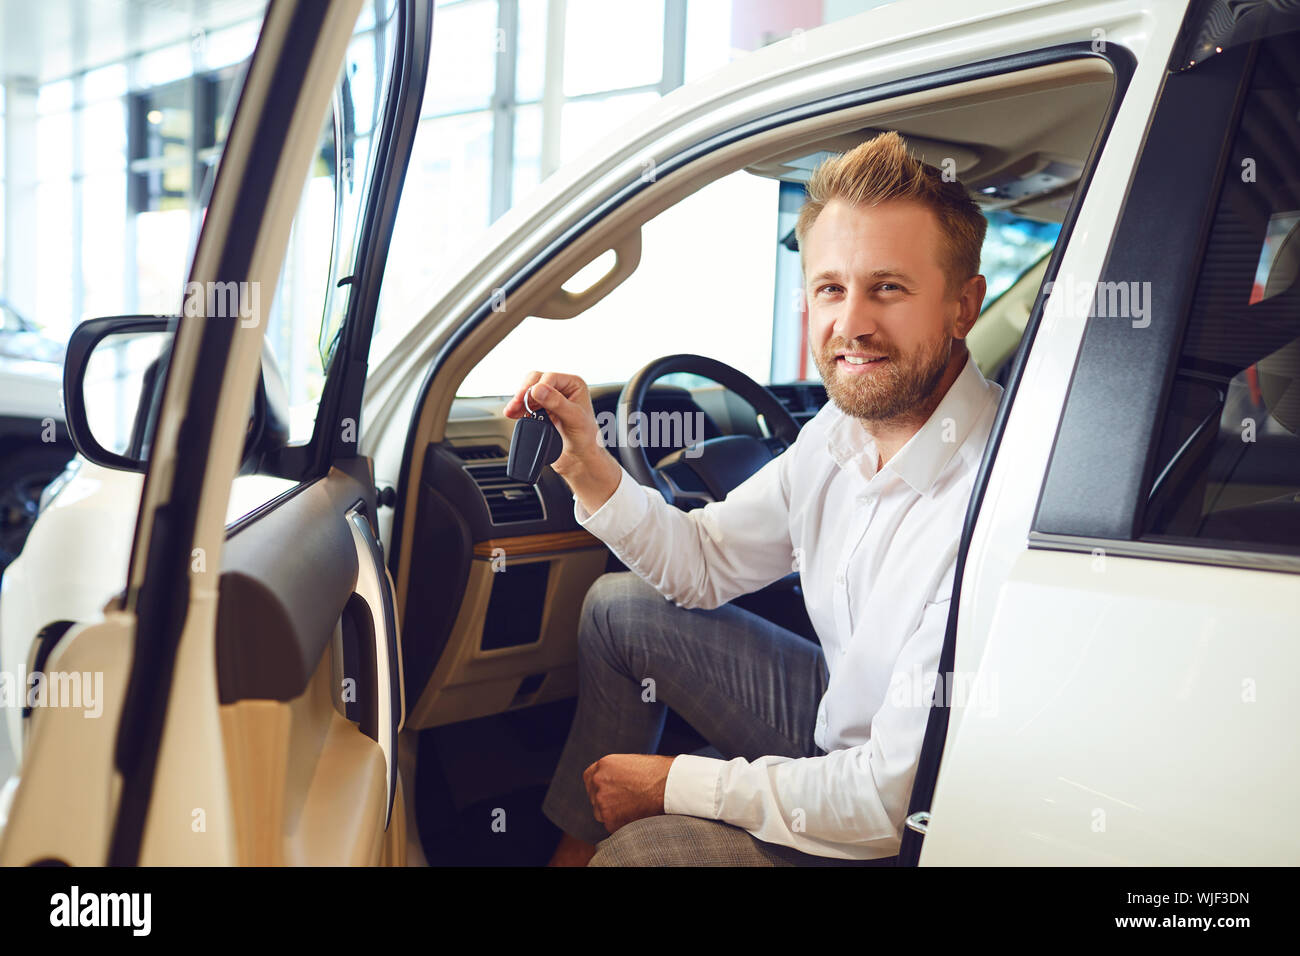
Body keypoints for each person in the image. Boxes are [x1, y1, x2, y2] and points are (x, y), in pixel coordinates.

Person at [503, 130, 1002, 866]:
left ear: (963, 307)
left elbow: (886, 806)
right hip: (840, 720)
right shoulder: (839, 429)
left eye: (887, 288)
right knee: (620, 610)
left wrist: (676, 783)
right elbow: (701, 562)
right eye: (831, 288)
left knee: (644, 855)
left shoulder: (988, 499)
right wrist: (589, 467)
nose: (852, 324)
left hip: (911, 822)